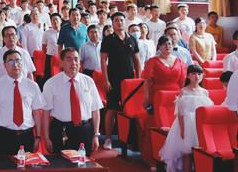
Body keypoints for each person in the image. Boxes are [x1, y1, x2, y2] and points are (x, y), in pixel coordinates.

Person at [158, 64, 212, 172]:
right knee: (187, 152)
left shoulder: (205, 92)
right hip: (186, 123)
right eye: (193, 74)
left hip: (199, 124)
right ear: (188, 76)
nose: (196, 76)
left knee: (198, 152)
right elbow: (180, 112)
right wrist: (182, 129)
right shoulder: (184, 91)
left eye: (199, 74)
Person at [41, 47, 102, 154]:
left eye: (76, 59)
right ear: (61, 63)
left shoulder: (88, 81)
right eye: (69, 59)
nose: (73, 63)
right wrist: (46, 137)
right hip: (61, 130)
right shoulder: (51, 83)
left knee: (84, 162)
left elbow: (95, 110)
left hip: (84, 130)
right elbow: (46, 113)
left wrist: (96, 135)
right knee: (60, 163)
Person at [0, 49, 44, 156]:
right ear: (4, 65)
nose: (15, 64)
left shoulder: (32, 86)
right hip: (3, 135)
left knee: (26, 166)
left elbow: (36, 113)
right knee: (3, 166)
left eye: (18, 60)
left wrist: (38, 136)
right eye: (11, 61)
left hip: (26, 136)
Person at [100, 12, 141, 151]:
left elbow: (137, 60)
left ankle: (128, 139)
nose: (119, 22)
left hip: (129, 81)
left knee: (129, 110)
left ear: (125, 22)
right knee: (111, 109)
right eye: (116, 20)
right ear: (112, 23)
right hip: (113, 80)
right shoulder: (108, 40)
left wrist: (138, 79)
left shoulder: (132, 39)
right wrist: (106, 80)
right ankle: (108, 138)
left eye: (121, 20)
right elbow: (103, 60)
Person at [142, 36, 185, 111]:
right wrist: (146, 98)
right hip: (158, 95)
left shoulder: (179, 61)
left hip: (176, 95)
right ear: (159, 46)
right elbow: (147, 82)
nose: (167, 46)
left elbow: (182, 81)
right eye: (164, 44)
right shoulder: (152, 61)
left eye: (169, 44)